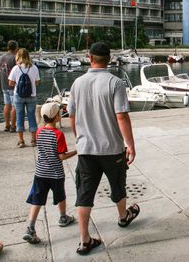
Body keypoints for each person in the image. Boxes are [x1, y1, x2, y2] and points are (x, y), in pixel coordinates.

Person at [68, 42, 139, 256]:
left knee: (84, 194)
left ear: (89, 57)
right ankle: (123, 217)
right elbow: (121, 116)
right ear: (110, 59)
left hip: (86, 148)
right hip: (111, 148)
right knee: (118, 185)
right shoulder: (115, 83)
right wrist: (130, 144)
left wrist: (79, 137)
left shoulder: (77, 83)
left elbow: (71, 115)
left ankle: (84, 240)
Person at [22, 102, 77, 244]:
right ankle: (63, 217)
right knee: (60, 196)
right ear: (57, 117)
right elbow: (62, 156)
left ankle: (30, 227)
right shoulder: (58, 135)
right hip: (56, 174)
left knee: (37, 200)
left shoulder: (39, 132)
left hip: (40, 172)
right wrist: (77, 151)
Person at [8, 48, 40, 148]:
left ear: (18, 56)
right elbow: (37, 82)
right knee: (31, 117)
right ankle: (33, 140)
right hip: (32, 95)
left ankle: (21, 141)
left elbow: (10, 83)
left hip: (18, 96)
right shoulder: (34, 68)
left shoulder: (16, 68)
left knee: (19, 117)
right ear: (28, 56)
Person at [0, 40, 18, 133]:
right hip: (13, 85)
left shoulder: (2, 57)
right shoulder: (14, 58)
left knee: (7, 105)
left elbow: (0, 69)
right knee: (14, 106)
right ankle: (13, 126)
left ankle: (7, 125)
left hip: (4, 84)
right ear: (16, 48)